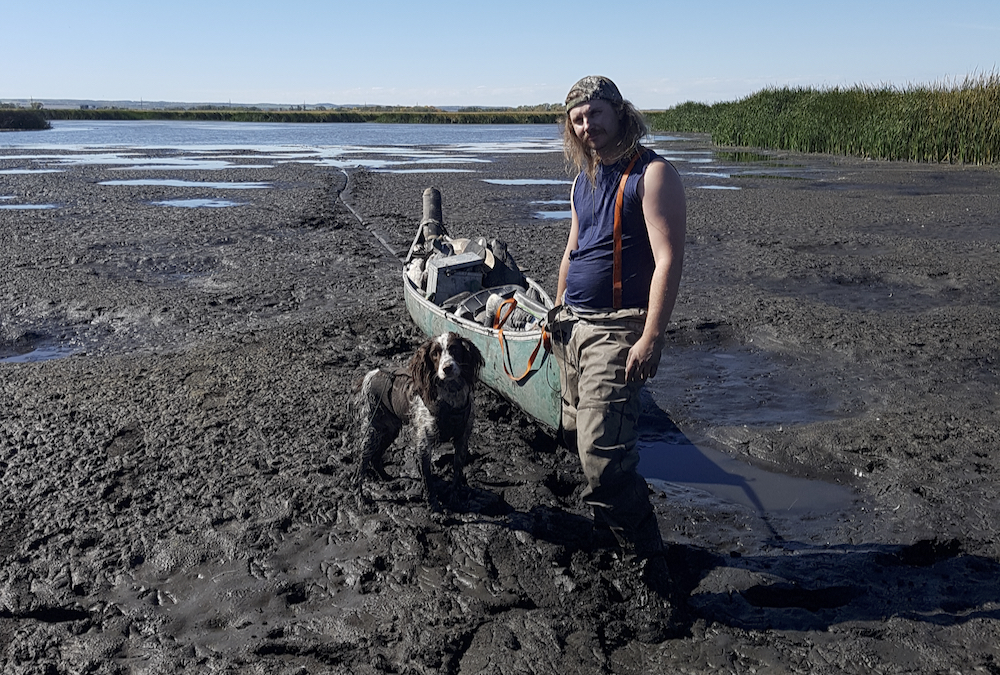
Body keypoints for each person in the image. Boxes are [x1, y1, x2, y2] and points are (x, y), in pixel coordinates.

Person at [549, 76, 686, 562]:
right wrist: (556, 311)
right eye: (578, 119)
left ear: (619, 112)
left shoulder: (652, 174)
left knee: (603, 459)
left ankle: (649, 563)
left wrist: (651, 337)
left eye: (595, 114)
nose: (587, 126)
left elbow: (668, 259)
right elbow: (573, 250)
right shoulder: (582, 181)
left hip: (618, 329)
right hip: (572, 327)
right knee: (574, 432)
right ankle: (607, 532)